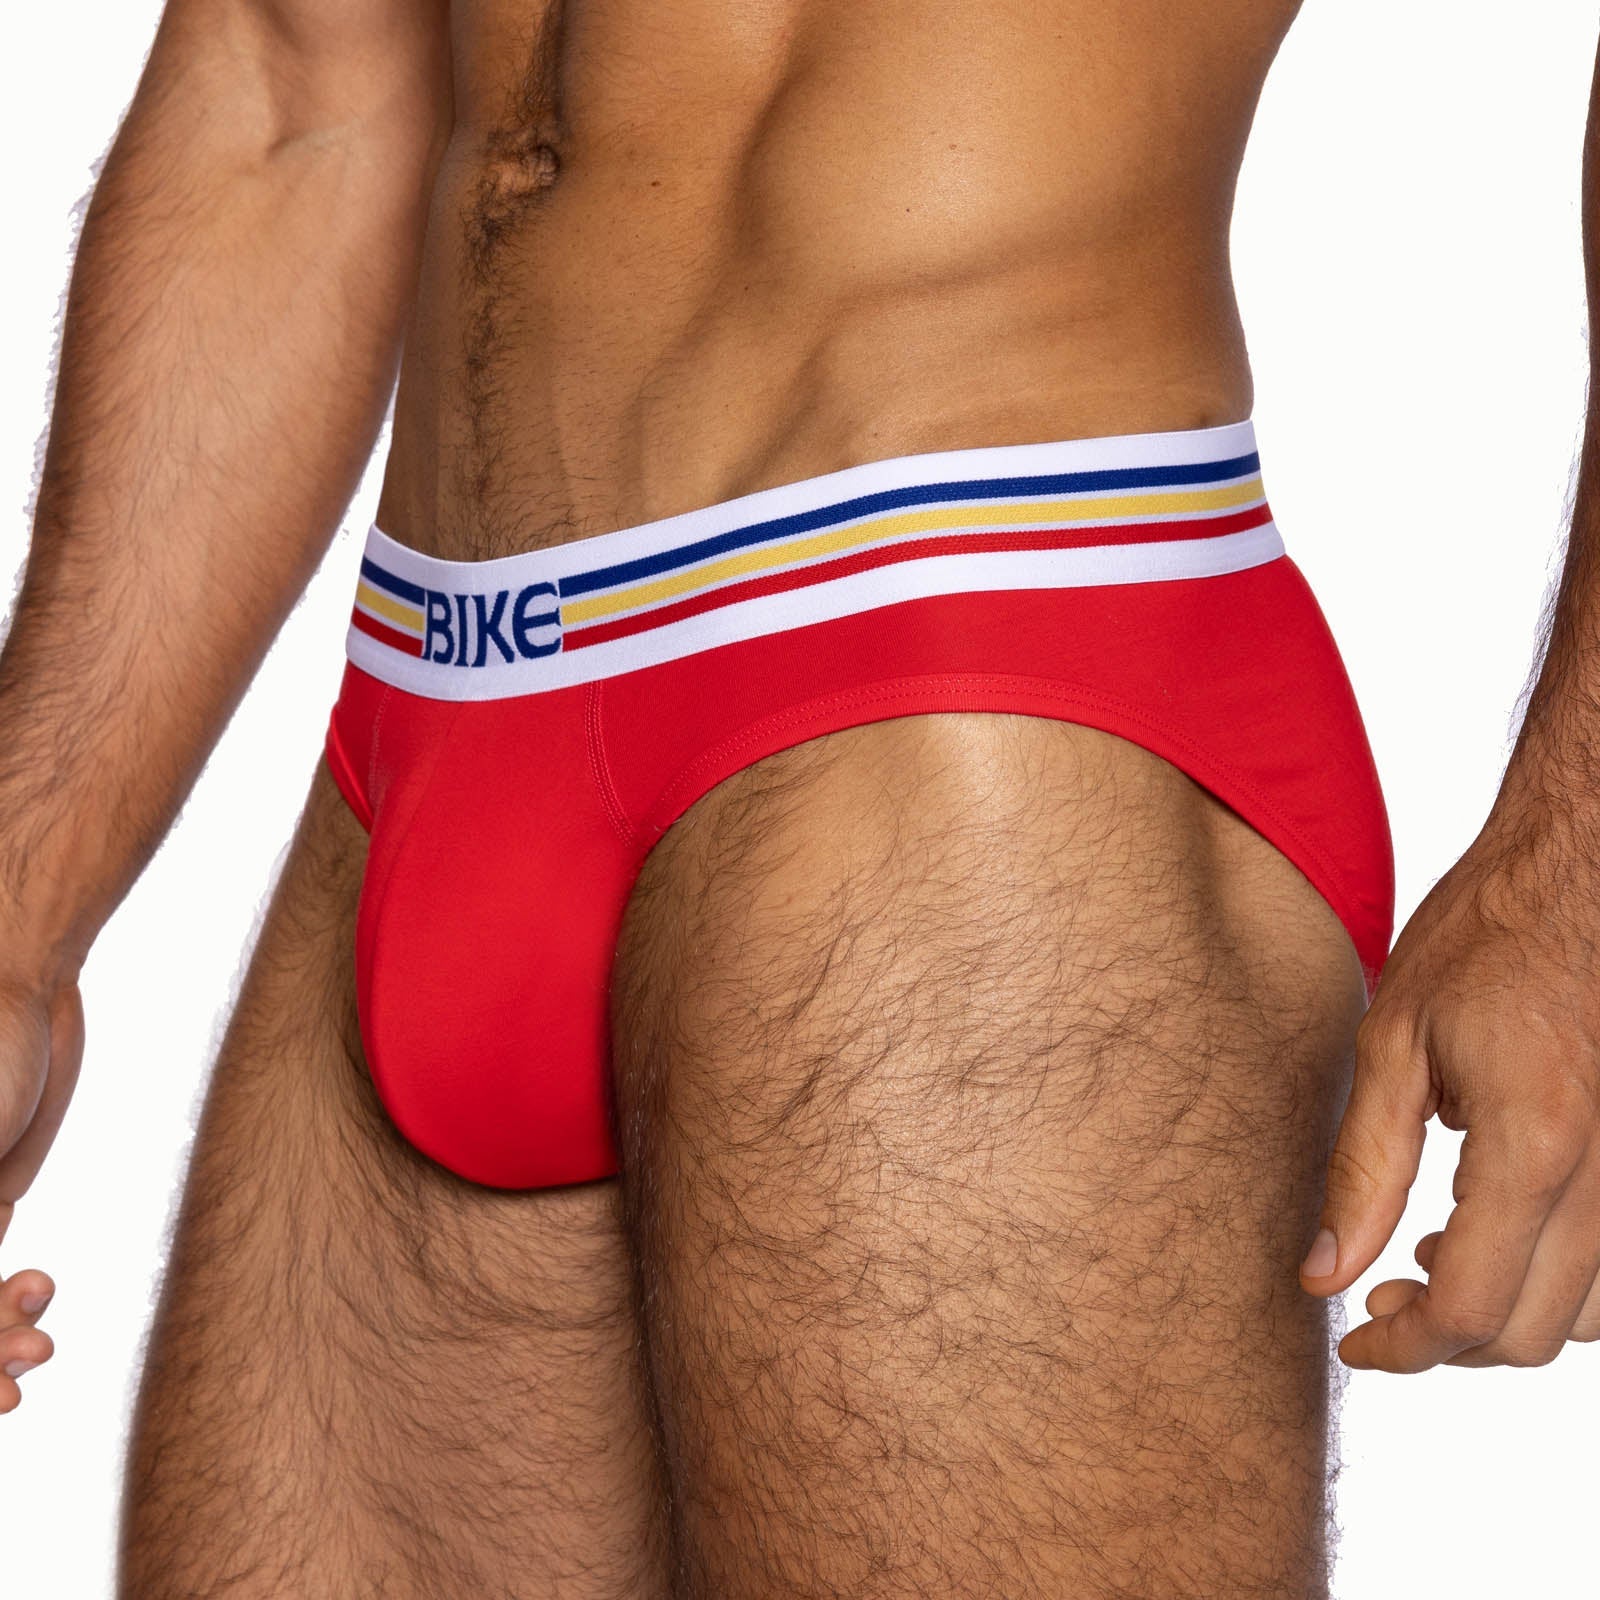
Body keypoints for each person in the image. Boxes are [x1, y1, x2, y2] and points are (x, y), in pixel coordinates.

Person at [1, 0, 1597, 1594]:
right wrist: (21, 902)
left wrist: (1572, 885)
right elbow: (290, 81)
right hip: (435, 700)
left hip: (965, 664)